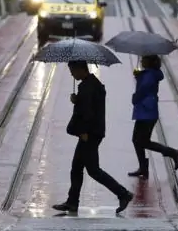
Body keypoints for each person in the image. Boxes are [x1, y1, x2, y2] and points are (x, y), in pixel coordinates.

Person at [53, 61, 134, 214]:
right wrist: (77, 100)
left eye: (72, 71)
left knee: (93, 170)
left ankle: (123, 194)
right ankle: (72, 202)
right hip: (92, 132)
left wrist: (83, 131)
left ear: (80, 69)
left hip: (89, 134)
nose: (71, 74)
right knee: (76, 167)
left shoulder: (87, 87)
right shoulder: (91, 84)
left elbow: (88, 112)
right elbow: (88, 106)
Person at [128, 55, 178, 179]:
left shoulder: (149, 75)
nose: (141, 61)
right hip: (146, 111)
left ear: (150, 62)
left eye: (143, 59)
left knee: (141, 141)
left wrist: (139, 80)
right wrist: (139, 76)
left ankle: (173, 152)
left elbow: (142, 91)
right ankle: (143, 168)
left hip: (146, 112)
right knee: (137, 140)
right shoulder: (150, 74)